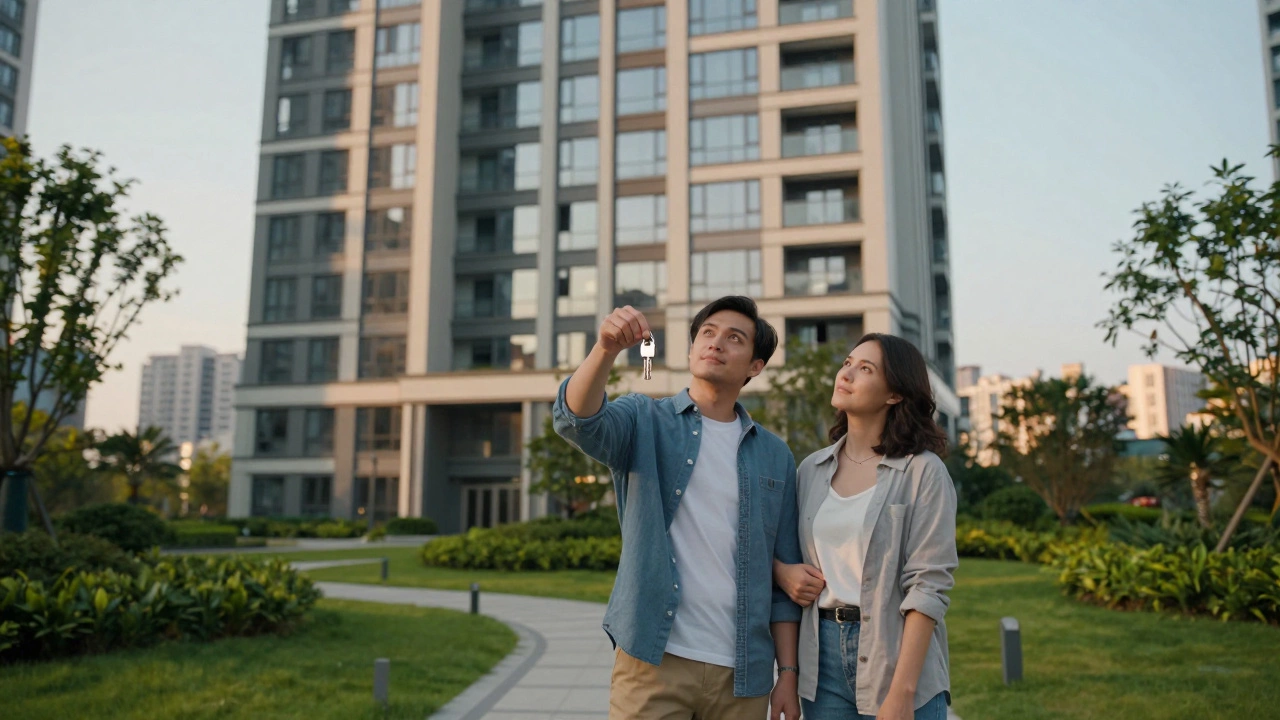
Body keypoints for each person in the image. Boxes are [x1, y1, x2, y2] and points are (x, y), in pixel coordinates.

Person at [553, 296, 803, 720]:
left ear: (755, 367)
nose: (716, 343)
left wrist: (789, 675)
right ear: (690, 350)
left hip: (743, 675)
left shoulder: (775, 456)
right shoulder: (644, 419)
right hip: (654, 661)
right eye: (707, 333)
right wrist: (607, 349)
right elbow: (576, 421)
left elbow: (782, 578)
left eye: (734, 338)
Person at [773, 333, 958, 720]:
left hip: (897, 654)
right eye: (847, 363)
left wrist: (903, 692)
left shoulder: (922, 471)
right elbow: (784, 555)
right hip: (820, 660)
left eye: (865, 368)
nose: (847, 373)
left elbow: (929, 585)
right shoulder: (811, 470)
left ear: (894, 395)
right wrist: (782, 571)